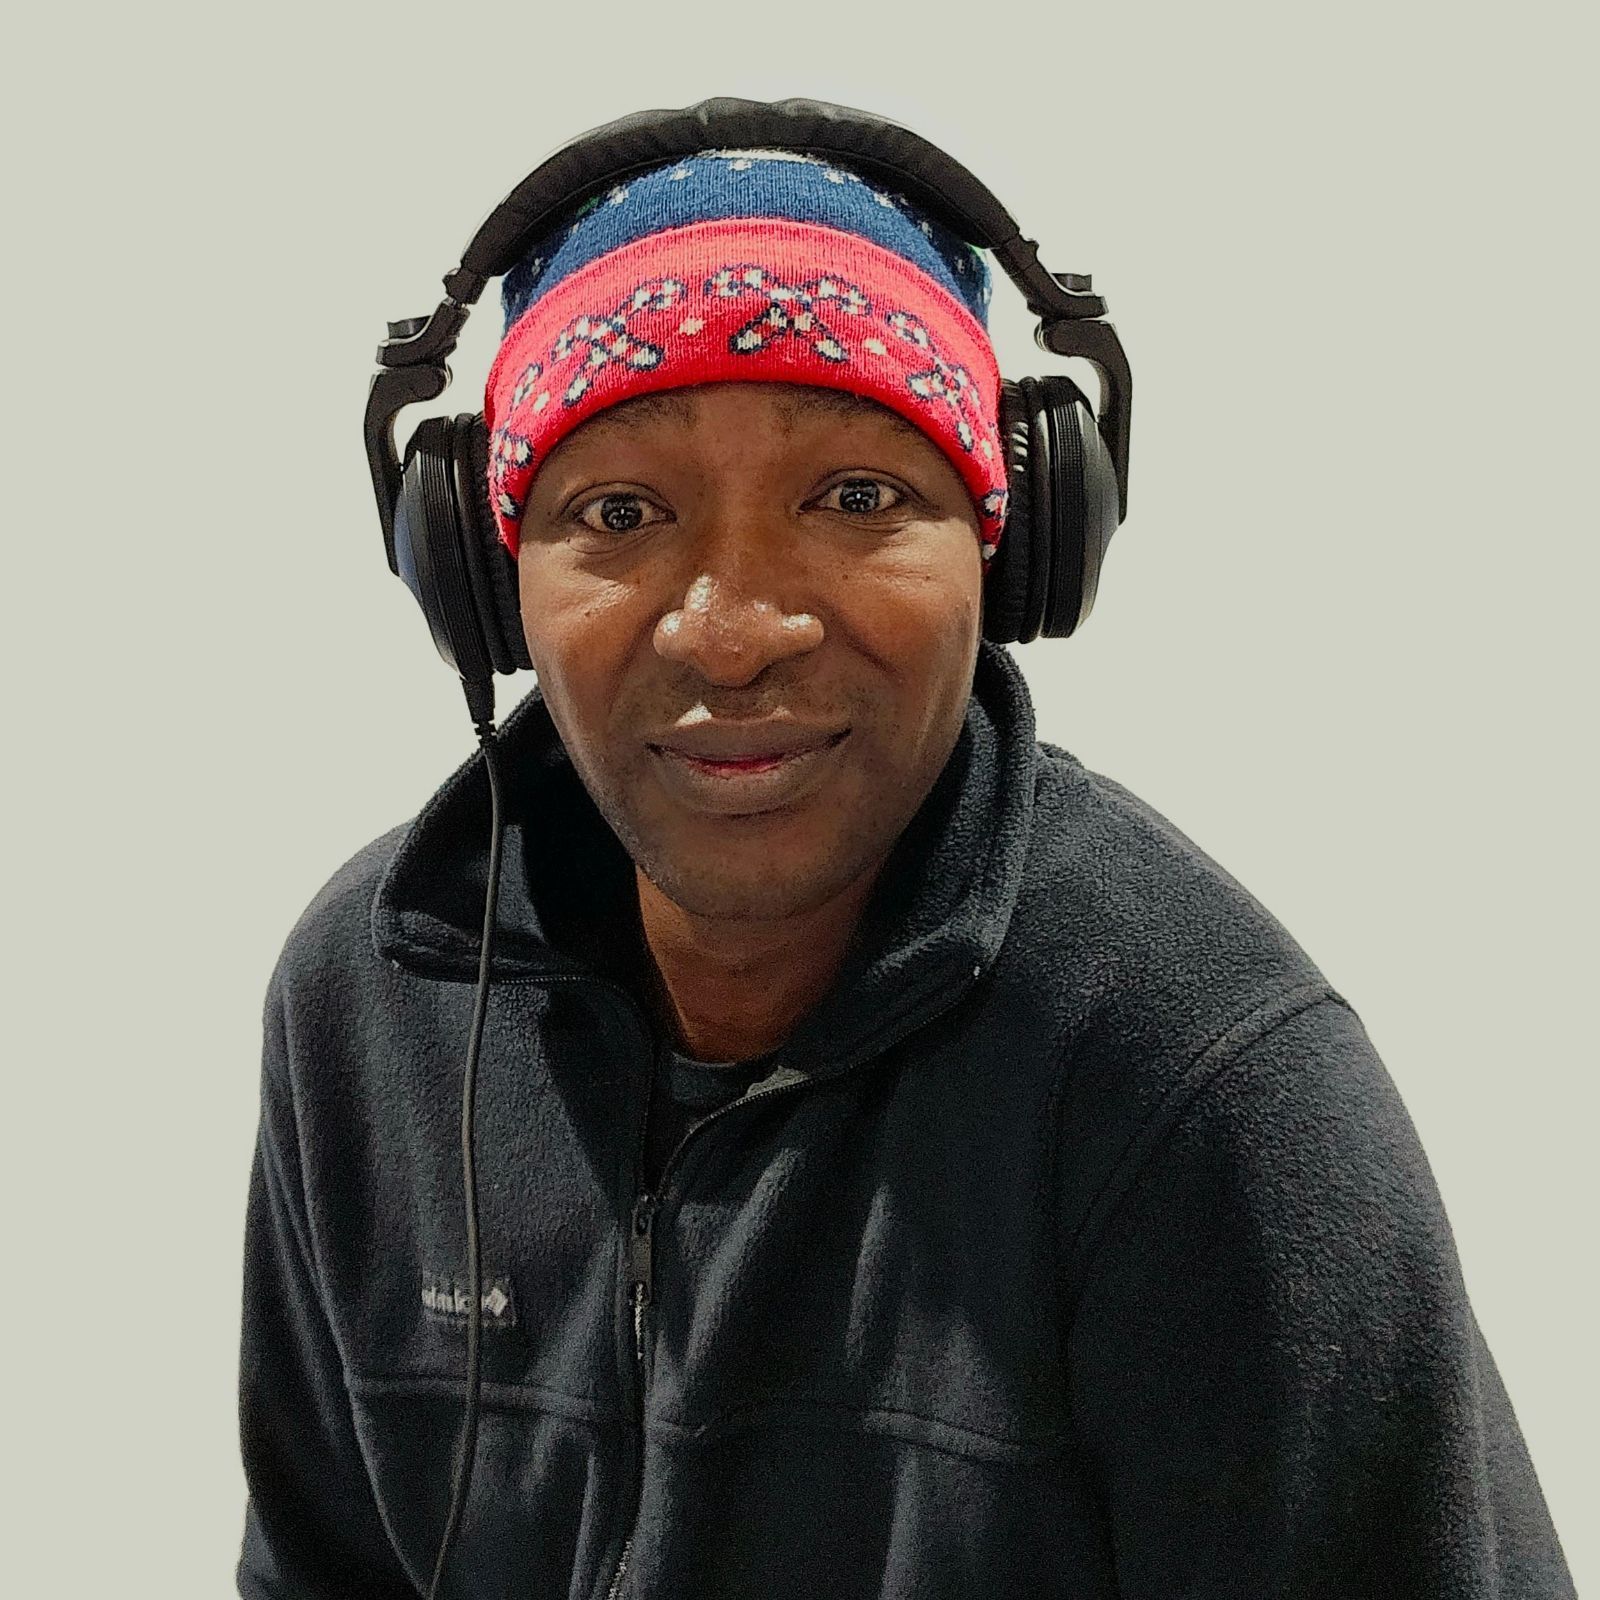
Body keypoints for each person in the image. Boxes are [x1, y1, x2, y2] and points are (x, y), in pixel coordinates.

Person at [236, 143, 1576, 1597]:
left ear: (1012, 551)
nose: (734, 629)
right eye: (620, 514)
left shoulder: (1202, 1092)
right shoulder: (369, 1016)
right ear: (485, 582)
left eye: (858, 498)